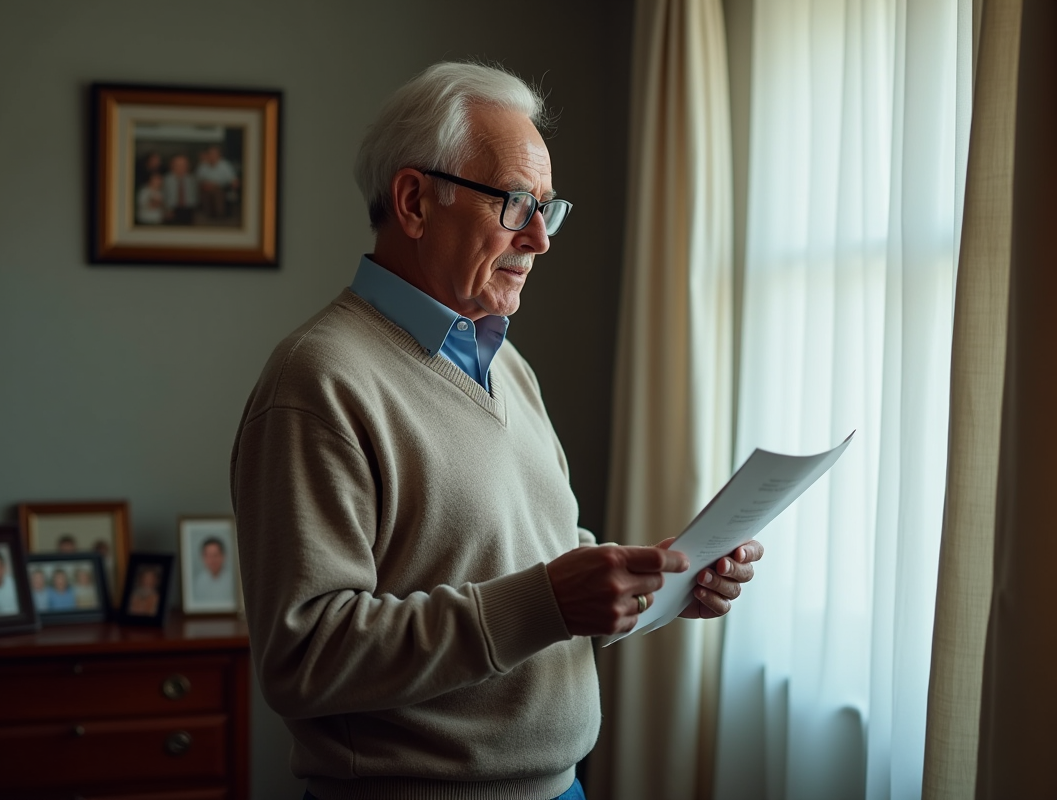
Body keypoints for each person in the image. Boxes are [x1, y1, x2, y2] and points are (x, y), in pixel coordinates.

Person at [230, 61, 765, 800]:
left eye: (549, 208)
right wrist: (547, 601)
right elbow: (305, 658)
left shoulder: (506, 361)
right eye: (517, 204)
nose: (541, 239)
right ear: (415, 201)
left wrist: (661, 579)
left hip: (561, 787)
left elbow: (538, 562)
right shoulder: (316, 380)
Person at [195, 145, 239, 219]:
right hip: (205, 188)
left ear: (219, 155)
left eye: (214, 154)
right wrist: (205, 185)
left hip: (222, 188)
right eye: (210, 153)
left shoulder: (225, 165)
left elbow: (234, 180)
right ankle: (208, 215)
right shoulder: (203, 165)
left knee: (217, 192)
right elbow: (197, 179)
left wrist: (231, 186)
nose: (212, 156)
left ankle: (219, 215)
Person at [191, 536, 234, 606]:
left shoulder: (233, 581)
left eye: (215, 555)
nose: (212, 560)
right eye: (208, 556)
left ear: (223, 556)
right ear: (203, 558)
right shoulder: (198, 582)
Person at [163, 154, 198, 225]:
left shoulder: (192, 179)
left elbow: (196, 197)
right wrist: (166, 210)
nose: (181, 167)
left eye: (184, 164)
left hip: (189, 210)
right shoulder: (166, 180)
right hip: (171, 210)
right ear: (172, 165)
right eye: (178, 165)